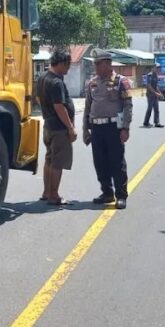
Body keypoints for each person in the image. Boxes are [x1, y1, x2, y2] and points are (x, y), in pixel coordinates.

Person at [83, 49, 133, 210]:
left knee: (117, 162)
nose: (96, 67)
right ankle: (107, 192)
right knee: (100, 162)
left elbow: (127, 106)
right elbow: (87, 107)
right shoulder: (93, 83)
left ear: (107, 64)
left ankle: (121, 195)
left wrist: (125, 127)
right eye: (95, 64)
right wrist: (86, 129)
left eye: (98, 64)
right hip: (97, 128)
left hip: (114, 127)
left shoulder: (121, 81)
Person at [35, 49, 77, 206]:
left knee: (50, 160)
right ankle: (54, 195)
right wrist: (70, 127)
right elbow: (59, 107)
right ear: (60, 63)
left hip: (48, 125)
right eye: (67, 65)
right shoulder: (56, 82)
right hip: (59, 128)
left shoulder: (42, 78)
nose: (68, 68)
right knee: (57, 163)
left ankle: (47, 192)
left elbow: (39, 98)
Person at [142, 63, 165, 128]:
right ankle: (146, 123)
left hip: (155, 95)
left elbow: (156, 86)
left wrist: (160, 93)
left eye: (159, 68)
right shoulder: (150, 75)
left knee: (156, 109)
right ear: (153, 68)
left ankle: (157, 122)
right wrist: (156, 93)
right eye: (157, 68)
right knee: (149, 109)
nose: (158, 69)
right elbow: (148, 86)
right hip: (150, 95)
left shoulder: (156, 75)